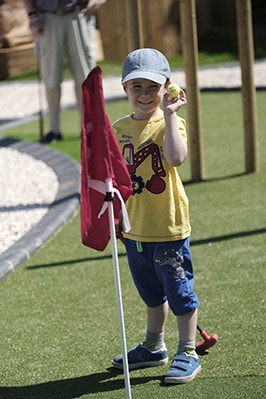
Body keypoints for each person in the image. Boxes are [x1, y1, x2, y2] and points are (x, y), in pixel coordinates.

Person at [112, 48, 201, 384]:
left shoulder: (170, 122)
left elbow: (176, 159)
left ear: (167, 87)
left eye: (152, 87)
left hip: (168, 229)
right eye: (137, 87)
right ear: (125, 89)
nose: (145, 95)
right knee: (151, 293)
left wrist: (168, 114)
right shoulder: (118, 128)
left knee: (180, 293)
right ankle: (154, 347)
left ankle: (188, 350)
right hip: (134, 230)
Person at [23, 0, 106, 143]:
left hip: (79, 13)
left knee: (84, 77)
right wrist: (32, 15)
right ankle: (54, 130)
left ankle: (87, 129)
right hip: (46, 17)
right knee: (51, 77)